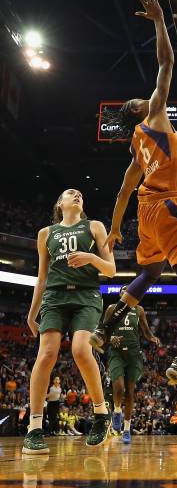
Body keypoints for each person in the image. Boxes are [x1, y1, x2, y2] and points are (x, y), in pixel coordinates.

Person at [87, 0, 177, 404]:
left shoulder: (135, 146)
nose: (148, 96)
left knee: (153, 272)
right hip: (172, 203)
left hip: (144, 208)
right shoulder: (155, 116)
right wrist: (160, 19)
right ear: (140, 110)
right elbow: (166, 61)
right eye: (141, 99)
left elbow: (124, 189)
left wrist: (117, 229)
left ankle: (109, 322)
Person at [23, 189, 115, 454]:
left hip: (86, 295)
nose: (76, 195)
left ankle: (101, 415)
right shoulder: (46, 233)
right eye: (69, 193)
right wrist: (32, 314)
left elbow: (111, 270)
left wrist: (92, 258)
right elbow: (41, 278)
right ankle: (34, 427)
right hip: (54, 297)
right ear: (60, 204)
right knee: (47, 354)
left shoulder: (95, 226)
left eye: (79, 194)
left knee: (80, 349)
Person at [104, 286, 161, 444]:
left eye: (130, 290)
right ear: (120, 294)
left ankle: (127, 429)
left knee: (129, 392)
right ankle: (116, 411)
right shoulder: (112, 309)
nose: (127, 292)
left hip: (134, 355)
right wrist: (110, 339)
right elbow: (103, 331)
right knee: (119, 387)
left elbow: (146, 330)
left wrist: (152, 338)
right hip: (117, 353)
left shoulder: (139, 310)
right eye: (124, 290)